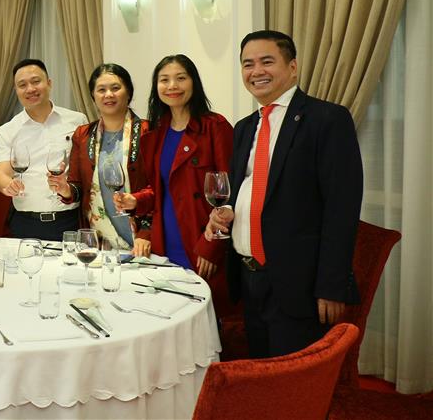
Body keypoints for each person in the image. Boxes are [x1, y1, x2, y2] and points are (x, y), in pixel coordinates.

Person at [207, 30, 362, 358]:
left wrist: (331, 285)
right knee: (261, 372)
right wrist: (227, 211)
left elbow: (341, 209)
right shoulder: (244, 127)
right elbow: (247, 189)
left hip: (299, 283)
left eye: (267, 61)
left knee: (296, 380)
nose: (256, 71)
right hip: (249, 277)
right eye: (248, 64)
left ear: (292, 67)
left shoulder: (327, 119)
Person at [114, 54, 233, 313]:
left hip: (200, 241)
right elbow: (160, 190)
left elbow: (230, 193)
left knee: (206, 316)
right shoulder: (156, 132)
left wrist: (211, 247)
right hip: (164, 241)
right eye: (164, 80)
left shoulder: (215, 126)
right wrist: (136, 200)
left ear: (194, 82)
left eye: (180, 78)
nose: (172, 86)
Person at [57, 64, 151, 255]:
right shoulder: (83, 135)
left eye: (115, 88)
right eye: (101, 90)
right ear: (93, 96)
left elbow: (161, 189)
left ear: (128, 93)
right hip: (98, 242)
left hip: (141, 240)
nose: (108, 94)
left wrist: (147, 232)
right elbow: (77, 187)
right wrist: (65, 189)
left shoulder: (148, 131)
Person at [0, 59, 88, 241]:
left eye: (36, 81)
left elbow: (85, 170)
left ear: (49, 83)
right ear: (16, 90)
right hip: (26, 222)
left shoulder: (77, 121)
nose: (30, 89)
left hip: (70, 221)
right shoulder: (7, 131)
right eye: (22, 85)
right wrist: (9, 185)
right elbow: (2, 175)